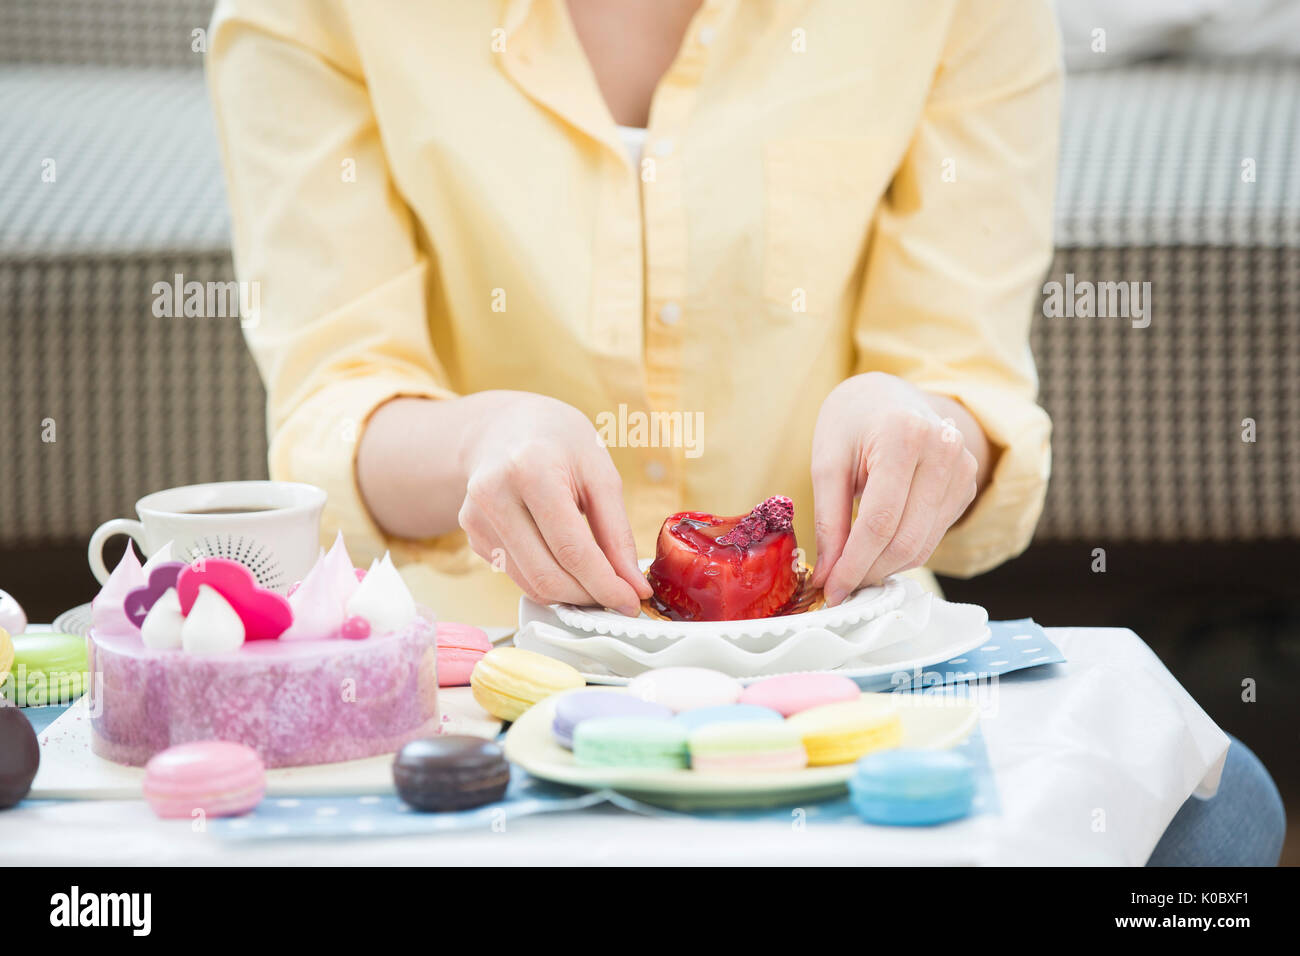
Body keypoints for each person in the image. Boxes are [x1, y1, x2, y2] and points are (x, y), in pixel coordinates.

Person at [208, 0, 1284, 867]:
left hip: (844, 682)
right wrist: (475, 443)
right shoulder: (309, 14)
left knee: (1221, 810)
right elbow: (334, 406)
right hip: (490, 681)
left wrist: (922, 426)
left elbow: (962, 373)